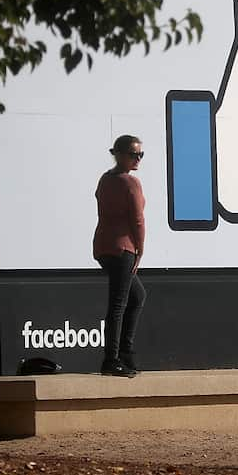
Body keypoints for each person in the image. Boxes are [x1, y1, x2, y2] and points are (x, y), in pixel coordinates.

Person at [93, 134, 147, 378]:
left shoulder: (105, 179)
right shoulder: (130, 183)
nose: (138, 159)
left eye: (141, 155)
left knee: (137, 296)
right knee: (118, 304)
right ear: (120, 154)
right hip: (123, 248)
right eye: (134, 154)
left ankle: (125, 353)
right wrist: (140, 248)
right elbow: (137, 219)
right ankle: (111, 359)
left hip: (104, 247)